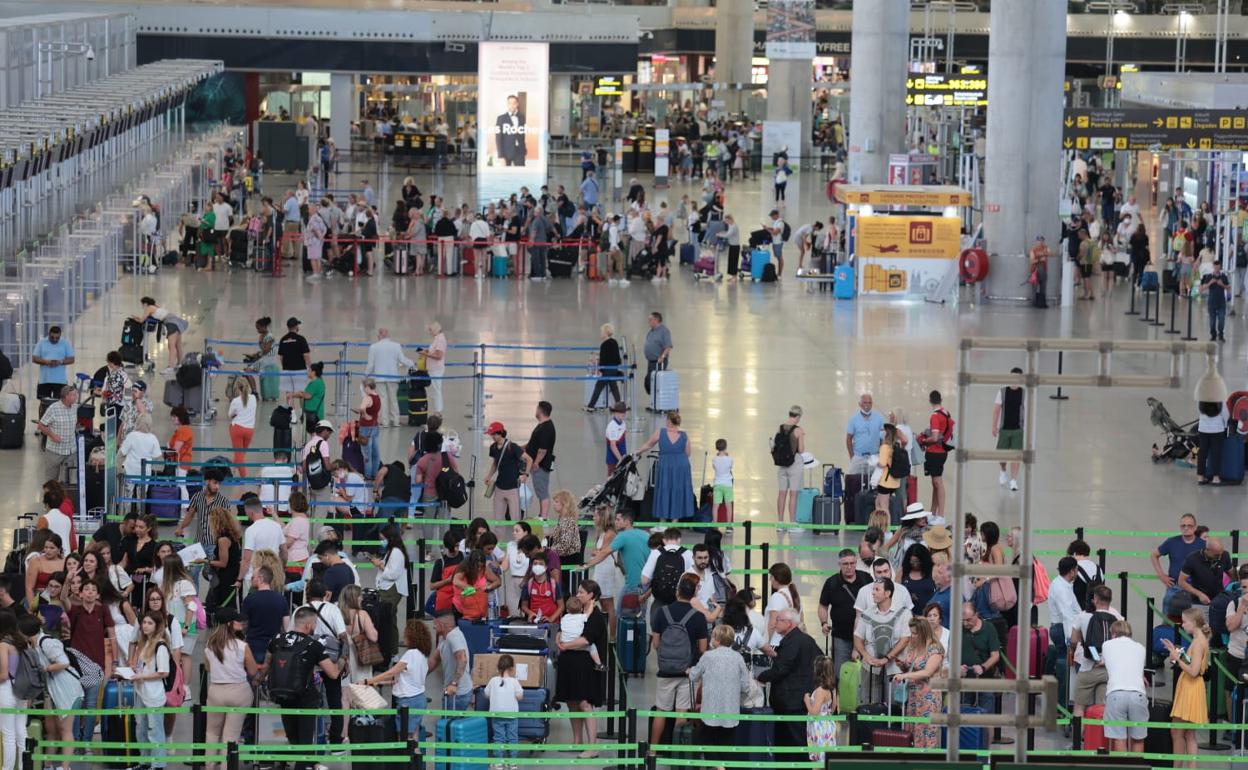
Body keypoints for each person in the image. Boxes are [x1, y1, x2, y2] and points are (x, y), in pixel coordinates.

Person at [263, 607, 341, 770]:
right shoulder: (314, 645)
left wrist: (257, 680)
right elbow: (333, 674)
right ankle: (305, 765)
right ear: (308, 625)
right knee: (305, 742)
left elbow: (266, 666)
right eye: (314, 624)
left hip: (283, 695)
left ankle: (308, 764)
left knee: (293, 739)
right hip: (306, 699)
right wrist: (342, 661)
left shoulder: (277, 640)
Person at [649, 575, 709, 749]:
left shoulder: (662, 612)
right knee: (681, 712)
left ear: (677, 592)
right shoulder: (698, 617)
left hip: (665, 670)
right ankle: (677, 753)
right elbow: (703, 649)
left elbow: (655, 644)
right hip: (687, 671)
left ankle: (652, 751)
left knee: (661, 711)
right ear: (693, 595)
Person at [688, 623, 753, 767]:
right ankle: (722, 765)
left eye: (712, 636)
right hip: (730, 710)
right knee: (727, 744)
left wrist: (689, 671)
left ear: (717, 639)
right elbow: (745, 686)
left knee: (706, 740)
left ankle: (719, 766)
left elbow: (693, 676)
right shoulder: (738, 658)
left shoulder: (708, 656)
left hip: (710, 709)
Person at [756, 607, 820, 747]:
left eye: (779, 620)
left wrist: (761, 676)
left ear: (789, 623)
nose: (775, 623)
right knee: (800, 742)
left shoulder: (792, 642)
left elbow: (781, 668)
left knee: (790, 743)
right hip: (801, 698)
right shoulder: (807, 640)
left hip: (790, 701)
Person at [203, 608, 257, 770]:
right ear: (229, 623)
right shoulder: (242, 646)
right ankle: (227, 767)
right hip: (239, 691)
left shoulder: (210, 645)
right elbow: (253, 671)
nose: (240, 623)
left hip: (216, 692)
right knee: (231, 736)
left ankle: (210, 765)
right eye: (237, 620)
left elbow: (207, 668)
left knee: (212, 733)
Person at [366, 618, 434, 740]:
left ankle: (405, 758)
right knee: (414, 736)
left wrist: (368, 681)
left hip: (408, 702)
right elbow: (405, 679)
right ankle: (415, 758)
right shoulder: (422, 655)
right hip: (419, 699)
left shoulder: (410, 654)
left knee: (403, 738)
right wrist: (379, 683)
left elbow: (392, 672)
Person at [1164, 608, 1209, 768]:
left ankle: (1178, 766)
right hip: (1192, 688)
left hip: (1190, 688)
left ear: (1194, 622)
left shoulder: (1198, 643)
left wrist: (1177, 659)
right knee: (1188, 734)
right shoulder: (1199, 640)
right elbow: (1192, 663)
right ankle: (1188, 767)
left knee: (1178, 732)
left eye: (1185, 622)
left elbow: (1193, 671)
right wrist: (1177, 653)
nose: (1182, 625)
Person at [129, 610, 173, 770]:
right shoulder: (146, 643)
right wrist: (135, 672)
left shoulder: (160, 645)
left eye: (149, 623)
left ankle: (158, 764)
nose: (145, 626)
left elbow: (163, 672)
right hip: (141, 692)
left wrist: (141, 677)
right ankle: (145, 762)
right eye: (144, 623)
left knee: (154, 731)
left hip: (153, 695)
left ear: (156, 626)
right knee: (141, 730)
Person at [891, 616, 944, 748]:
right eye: (911, 632)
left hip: (928, 697)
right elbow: (913, 667)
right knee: (913, 730)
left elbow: (927, 672)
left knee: (927, 731)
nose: (912, 636)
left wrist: (905, 675)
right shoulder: (913, 647)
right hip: (914, 696)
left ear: (923, 632)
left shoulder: (935, 649)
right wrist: (902, 665)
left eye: (915, 633)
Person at [634, 410, 694, 521]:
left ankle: (662, 520)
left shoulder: (660, 432)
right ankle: (675, 520)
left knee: (664, 489)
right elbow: (688, 453)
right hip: (681, 466)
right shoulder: (684, 434)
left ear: (669, 422)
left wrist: (638, 451)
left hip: (666, 464)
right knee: (678, 490)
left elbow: (649, 444)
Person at [1100, 619, 1148, 755]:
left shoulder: (1107, 645)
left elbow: (1105, 662)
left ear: (1113, 633)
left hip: (1116, 693)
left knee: (1119, 738)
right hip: (1138, 694)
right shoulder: (1140, 647)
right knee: (1138, 739)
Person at [1152, 514, 1203, 615]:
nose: (1186, 528)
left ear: (1195, 528)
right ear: (1180, 527)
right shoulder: (1171, 542)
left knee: (1194, 624)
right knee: (1168, 622)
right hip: (1174, 588)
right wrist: (1161, 575)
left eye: (1189, 525)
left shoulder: (1203, 545)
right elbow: (1154, 555)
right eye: (1183, 526)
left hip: (1195, 590)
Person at [366, 328, 416, 428]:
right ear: (388, 335)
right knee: (393, 399)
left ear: (379, 335)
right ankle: (396, 421)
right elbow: (402, 360)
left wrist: (366, 375)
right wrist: (413, 364)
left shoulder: (373, 347)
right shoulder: (396, 346)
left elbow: (371, 365)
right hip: (393, 377)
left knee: (383, 399)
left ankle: (385, 422)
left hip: (379, 378)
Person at [918, 390, 954, 521]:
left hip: (935, 452)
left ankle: (941, 515)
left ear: (930, 400)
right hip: (942, 452)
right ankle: (933, 511)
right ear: (941, 399)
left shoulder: (934, 416)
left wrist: (923, 441)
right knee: (935, 482)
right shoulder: (945, 413)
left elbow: (934, 437)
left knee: (937, 482)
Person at [482, 654, 524, 767]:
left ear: (498, 666)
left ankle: (498, 763)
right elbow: (520, 697)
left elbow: (486, 695)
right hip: (512, 716)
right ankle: (512, 763)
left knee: (499, 738)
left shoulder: (493, 680)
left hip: (497, 715)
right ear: (512, 668)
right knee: (512, 738)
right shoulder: (514, 681)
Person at [428, 610, 473, 709]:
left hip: (457, 694)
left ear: (442, 625)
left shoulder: (453, 636)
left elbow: (463, 659)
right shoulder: (445, 638)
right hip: (452, 692)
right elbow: (434, 660)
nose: (434, 627)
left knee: (450, 723)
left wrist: (454, 684)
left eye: (435, 624)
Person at [773, 406, 807, 533]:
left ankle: (780, 523)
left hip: (782, 465)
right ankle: (792, 523)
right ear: (798, 417)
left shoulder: (780, 427)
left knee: (782, 493)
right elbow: (801, 449)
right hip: (794, 464)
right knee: (793, 494)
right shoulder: (798, 430)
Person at [36, 385, 79, 485]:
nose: (76, 397)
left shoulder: (74, 407)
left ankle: (66, 500)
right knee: (51, 480)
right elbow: (41, 425)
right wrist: (52, 435)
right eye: (73, 395)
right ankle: (50, 499)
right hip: (55, 451)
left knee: (69, 480)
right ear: (66, 396)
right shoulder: (53, 408)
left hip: (70, 451)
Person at [132, 297, 187, 373]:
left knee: (171, 346)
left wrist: (136, 319)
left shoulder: (148, 308)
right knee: (178, 345)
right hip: (176, 320)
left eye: (142, 304)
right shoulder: (156, 307)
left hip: (171, 322)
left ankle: (171, 367)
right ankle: (180, 364)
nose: (142, 307)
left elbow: (142, 320)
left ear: (145, 303)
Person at [484, 422, 525, 521]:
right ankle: (498, 537)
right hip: (499, 487)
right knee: (498, 520)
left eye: (494, 434)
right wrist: (488, 476)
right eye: (491, 434)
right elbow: (495, 463)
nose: (492, 436)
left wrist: (526, 475)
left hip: (513, 488)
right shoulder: (493, 448)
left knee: (516, 519)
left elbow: (528, 459)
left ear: (500, 433)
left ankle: (518, 536)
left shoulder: (512, 447)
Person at [992, 367, 1025, 491]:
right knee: (1001, 455)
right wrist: (994, 426)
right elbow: (996, 410)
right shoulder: (1002, 392)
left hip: (1018, 430)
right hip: (1004, 429)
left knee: (1015, 456)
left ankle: (1013, 480)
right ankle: (1003, 470)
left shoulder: (1025, 394)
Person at [522, 401, 556, 518]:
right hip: (537, 464)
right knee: (540, 491)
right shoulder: (542, 425)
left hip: (541, 466)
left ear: (540, 411)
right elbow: (534, 442)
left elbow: (543, 449)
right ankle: (541, 514)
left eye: (537, 408)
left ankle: (544, 518)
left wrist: (536, 463)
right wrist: (523, 447)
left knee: (543, 493)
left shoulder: (546, 428)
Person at [1178, 537, 1232, 608]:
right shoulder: (1192, 559)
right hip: (1199, 602)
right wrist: (1199, 594)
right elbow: (1181, 582)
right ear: (1207, 550)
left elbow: (1231, 573)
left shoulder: (1225, 555)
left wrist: (1236, 586)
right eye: (1216, 555)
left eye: (1221, 554)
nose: (1219, 557)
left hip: (1219, 601)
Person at [240, 496, 284, 583]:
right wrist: (281, 568)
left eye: (246, 512)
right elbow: (284, 551)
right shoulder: (277, 526)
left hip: (254, 577)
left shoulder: (251, 530)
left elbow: (247, 559)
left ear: (250, 512)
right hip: (274, 575)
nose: (246, 514)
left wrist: (239, 578)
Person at [1048, 556, 1081, 658]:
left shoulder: (1064, 584)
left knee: (1065, 660)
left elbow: (1076, 609)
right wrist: (1070, 639)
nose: (1077, 572)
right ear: (1071, 571)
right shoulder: (1061, 588)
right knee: (1065, 660)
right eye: (1077, 569)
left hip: (1062, 627)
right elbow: (1067, 614)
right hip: (1062, 628)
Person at [845, 392, 884, 478]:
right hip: (858, 457)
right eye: (865, 402)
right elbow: (848, 439)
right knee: (853, 480)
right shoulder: (853, 419)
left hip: (874, 456)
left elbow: (882, 439)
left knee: (875, 483)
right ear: (860, 404)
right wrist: (852, 456)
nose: (867, 405)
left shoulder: (879, 418)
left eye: (870, 403)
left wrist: (881, 455)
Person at [31, 325, 75, 400]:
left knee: (60, 403)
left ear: (60, 335)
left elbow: (71, 359)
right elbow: (34, 358)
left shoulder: (65, 343)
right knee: (44, 403)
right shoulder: (41, 343)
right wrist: (46, 362)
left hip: (60, 380)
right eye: (52, 337)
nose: (54, 340)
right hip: (44, 380)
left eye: (57, 338)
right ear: (49, 334)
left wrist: (60, 362)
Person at [586, 324, 623, 412]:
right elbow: (617, 357)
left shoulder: (604, 344)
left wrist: (601, 369)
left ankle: (591, 406)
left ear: (606, 333)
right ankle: (619, 406)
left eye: (602, 332)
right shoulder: (615, 342)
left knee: (599, 386)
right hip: (614, 368)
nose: (601, 334)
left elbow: (604, 359)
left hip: (607, 369)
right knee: (614, 387)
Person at [1195, 399, 1231, 486]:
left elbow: (1199, 410)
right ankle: (1216, 478)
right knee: (1216, 453)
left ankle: (1200, 477)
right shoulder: (1220, 397)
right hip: (1217, 429)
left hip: (1203, 429)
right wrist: (1225, 426)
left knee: (1202, 452)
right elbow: (1226, 414)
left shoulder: (1201, 396)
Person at [227, 376, 257, 473]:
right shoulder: (253, 398)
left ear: (237, 388)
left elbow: (230, 415)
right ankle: (233, 469)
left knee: (239, 454)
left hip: (237, 429)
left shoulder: (235, 401)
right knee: (242, 453)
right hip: (249, 430)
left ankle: (243, 477)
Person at [277, 317, 312, 398]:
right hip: (300, 371)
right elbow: (306, 355)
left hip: (287, 371)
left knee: (289, 394)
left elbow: (281, 357)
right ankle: (303, 410)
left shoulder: (283, 339)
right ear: (296, 326)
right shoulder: (301, 339)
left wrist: (285, 367)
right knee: (301, 393)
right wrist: (310, 368)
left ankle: (291, 410)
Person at [418, 321, 448, 413]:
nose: (429, 332)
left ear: (436, 330)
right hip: (433, 369)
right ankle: (437, 410)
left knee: (436, 391)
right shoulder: (437, 339)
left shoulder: (440, 340)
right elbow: (434, 351)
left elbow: (439, 356)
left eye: (430, 330)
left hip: (436, 369)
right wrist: (427, 351)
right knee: (435, 390)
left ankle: (438, 411)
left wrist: (425, 354)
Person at [643, 311, 673, 397]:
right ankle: (654, 403)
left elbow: (668, 346)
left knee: (654, 381)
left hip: (659, 362)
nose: (649, 321)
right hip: (651, 362)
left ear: (656, 320)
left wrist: (662, 356)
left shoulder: (664, 331)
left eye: (650, 319)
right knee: (650, 381)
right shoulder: (651, 331)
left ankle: (657, 403)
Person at [1201, 259, 1232, 341]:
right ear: (1213, 267)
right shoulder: (1209, 276)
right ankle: (1213, 334)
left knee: (1221, 319)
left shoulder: (1223, 276)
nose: (1217, 268)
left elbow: (1229, 287)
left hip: (1221, 301)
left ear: (1220, 267)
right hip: (1211, 302)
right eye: (1215, 267)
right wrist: (1210, 283)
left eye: (1218, 267)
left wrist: (1222, 285)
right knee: (1212, 321)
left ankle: (1221, 334)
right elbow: (1202, 288)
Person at [494, 94, 527, 166]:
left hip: (519, 151)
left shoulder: (522, 117)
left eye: (514, 103)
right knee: (505, 175)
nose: (512, 105)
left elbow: (523, 135)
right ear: (507, 104)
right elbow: (498, 138)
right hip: (506, 152)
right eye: (509, 103)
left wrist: (524, 149)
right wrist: (500, 155)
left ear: (517, 104)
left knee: (521, 174)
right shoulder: (501, 118)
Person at [1028, 235, 1050, 308]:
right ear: (1036, 241)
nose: (1040, 242)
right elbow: (1032, 261)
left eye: (1042, 240)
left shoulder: (1045, 248)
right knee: (1034, 287)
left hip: (1043, 270)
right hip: (1035, 270)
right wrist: (1040, 259)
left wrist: (1044, 253)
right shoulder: (1033, 249)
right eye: (1039, 240)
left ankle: (1042, 302)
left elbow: (1050, 253)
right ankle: (1034, 303)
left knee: (1043, 287)